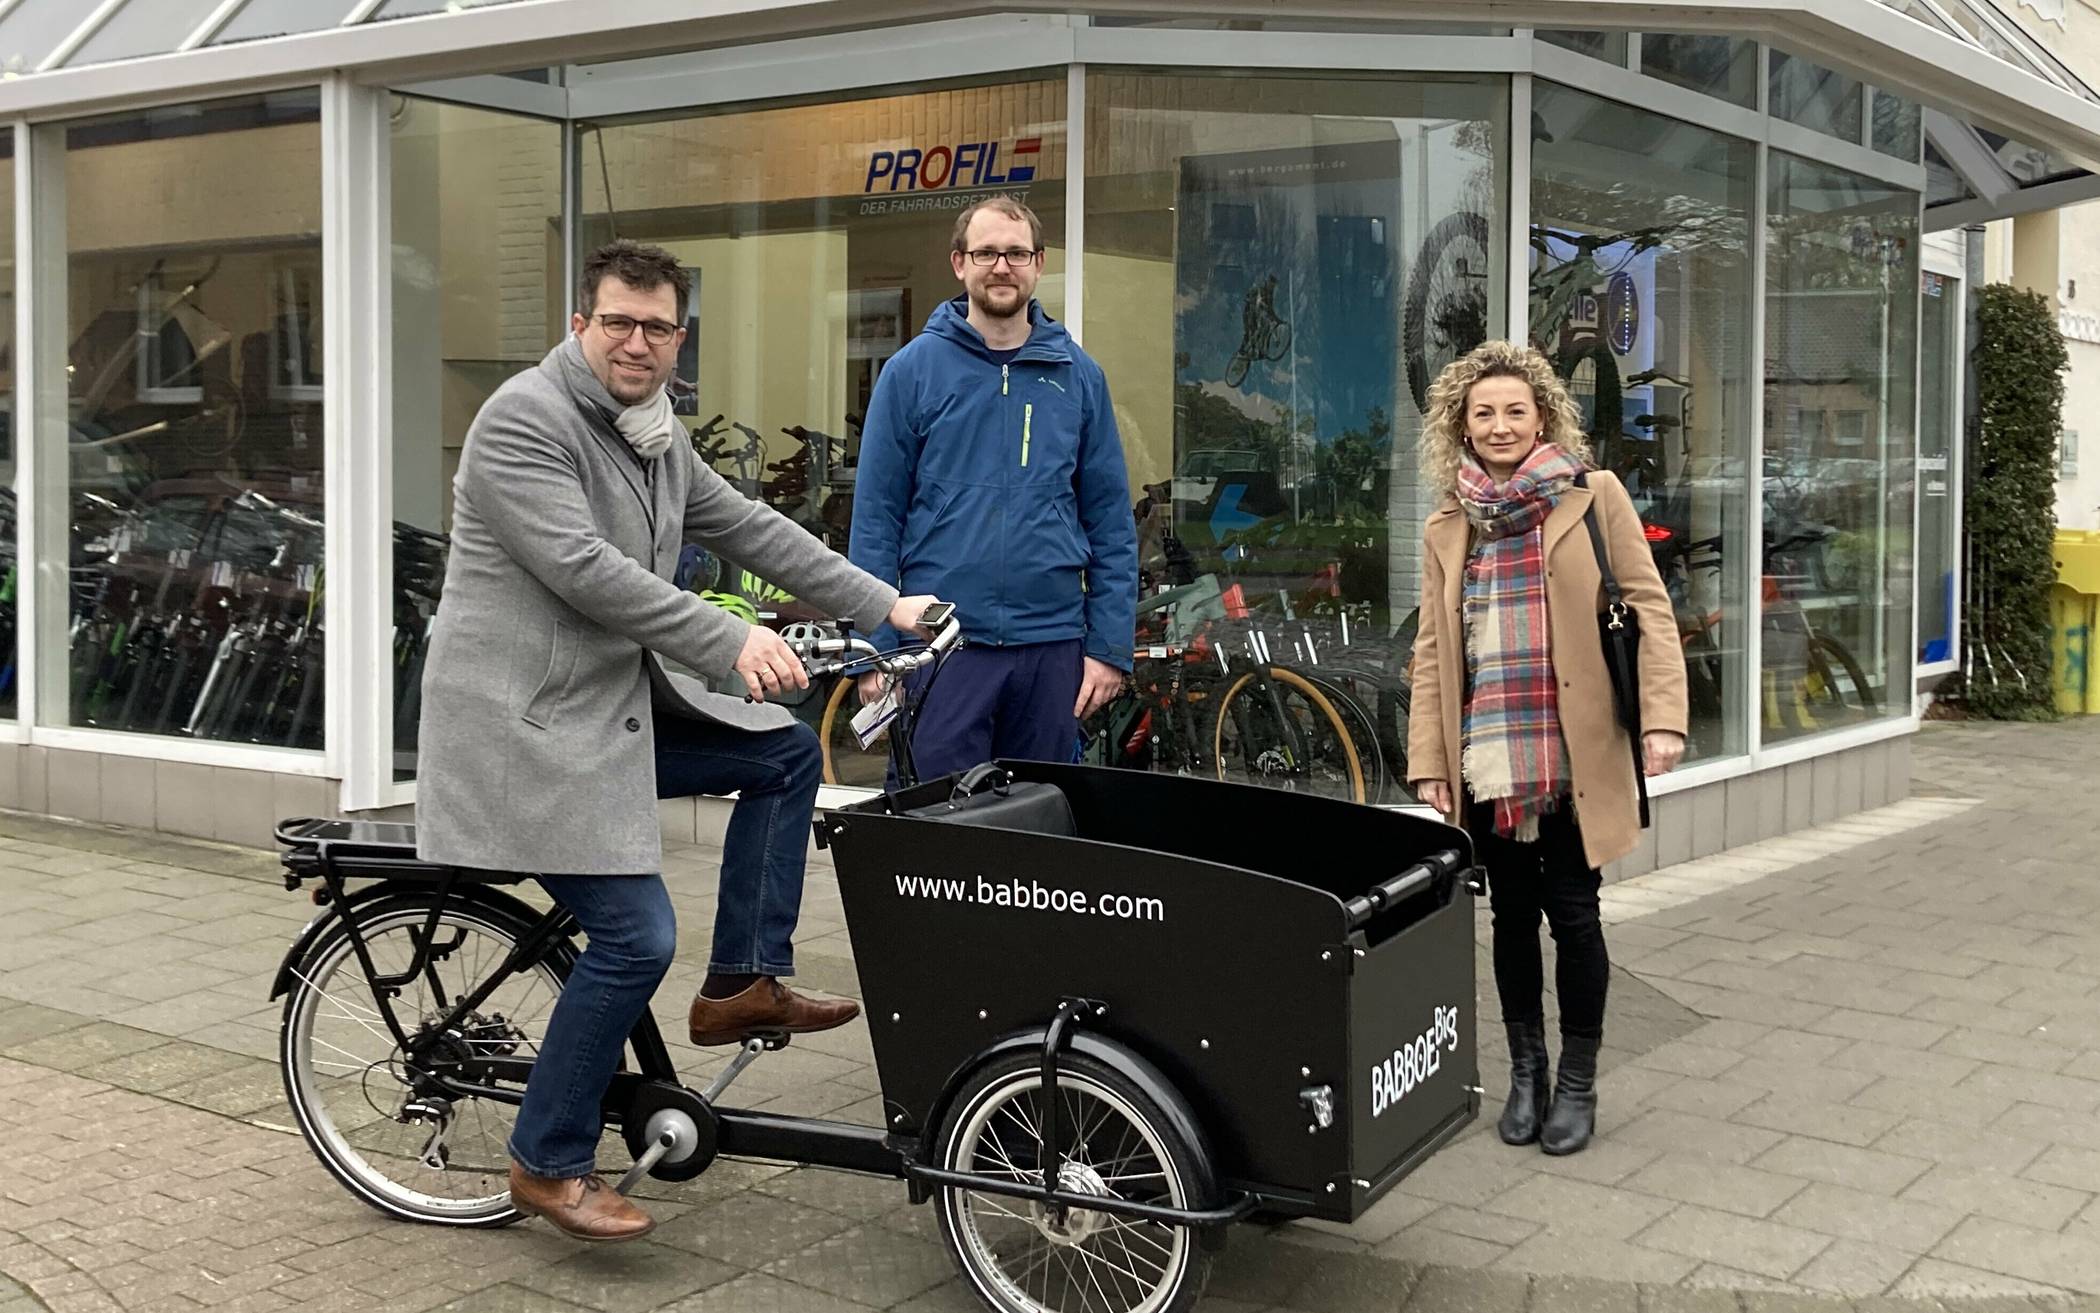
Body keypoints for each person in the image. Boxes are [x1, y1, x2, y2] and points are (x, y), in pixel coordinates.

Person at [416, 239, 940, 1242]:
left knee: (784, 755)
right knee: (635, 933)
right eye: (618, 320)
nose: (637, 341)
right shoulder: (524, 421)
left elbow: (750, 526)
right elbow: (586, 569)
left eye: (658, 327)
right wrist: (734, 637)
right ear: (581, 323)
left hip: (602, 711)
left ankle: (742, 982)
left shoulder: (652, 432)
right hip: (523, 731)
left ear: (678, 338)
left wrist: (888, 605)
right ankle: (545, 1158)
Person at [1405, 340, 1687, 1157]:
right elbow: (1431, 649)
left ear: (1542, 418)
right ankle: (1526, 1074)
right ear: (1462, 423)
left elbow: (1649, 607)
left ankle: (1577, 1083)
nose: (1498, 426)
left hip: (1573, 752)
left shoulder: (1592, 497)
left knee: (1573, 913)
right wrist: (1428, 758)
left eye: (1514, 411)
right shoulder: (1448, 523)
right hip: (1487, 756)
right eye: (1482, 412)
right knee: (1512, 919)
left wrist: (1663, 718)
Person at [848, 196, 1137, 781]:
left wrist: (1107, 650)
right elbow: (877, 519)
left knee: (1042, 824)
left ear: (1039, 263)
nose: (1001, 266)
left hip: (1052, 646)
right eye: (986, 253)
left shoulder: (1079, 377)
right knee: (940, 828)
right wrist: (875, 648)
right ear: (959, 263)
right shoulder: (910, 372)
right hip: (941, 646)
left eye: (1016, 253)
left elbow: (1110, 523)